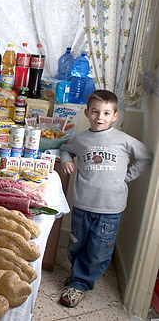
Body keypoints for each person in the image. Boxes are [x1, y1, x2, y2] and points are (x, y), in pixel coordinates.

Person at [58, 90, 152, 308]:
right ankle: (78, 276)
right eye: (95, 112)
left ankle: (80, 284)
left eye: (106, 113)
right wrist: (66, 161)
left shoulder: (123, 140)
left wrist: (126, 177)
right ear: (87, 113)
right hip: (82, 204)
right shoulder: (81, 139)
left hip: (110, 208)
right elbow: (65, 150)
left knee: (99, 250)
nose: (100, 117)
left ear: (115, 116)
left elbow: (145, 156)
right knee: (76, 245)